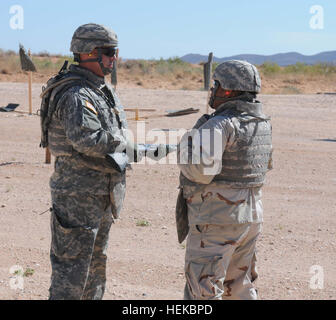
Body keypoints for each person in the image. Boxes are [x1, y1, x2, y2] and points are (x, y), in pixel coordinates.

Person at [40, 23, 156, 300]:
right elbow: (87, 139)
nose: (114, 58)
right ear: (89, 53)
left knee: (94, 269)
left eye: (115, 51)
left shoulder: (100, 89)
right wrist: (134, 148)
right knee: (71, 274)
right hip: (78, 195)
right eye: (109, 52)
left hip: (100, 193)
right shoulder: (76, 94)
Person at [176, 60, 273, 300]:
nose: (214, 91)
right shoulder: (262, 123)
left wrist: (187, 145)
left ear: (228, 90)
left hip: (217, 218)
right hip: (250, 217)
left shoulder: (220, 124)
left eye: (217, 85)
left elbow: (200, 171)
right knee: (239, 286)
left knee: (203, 290)